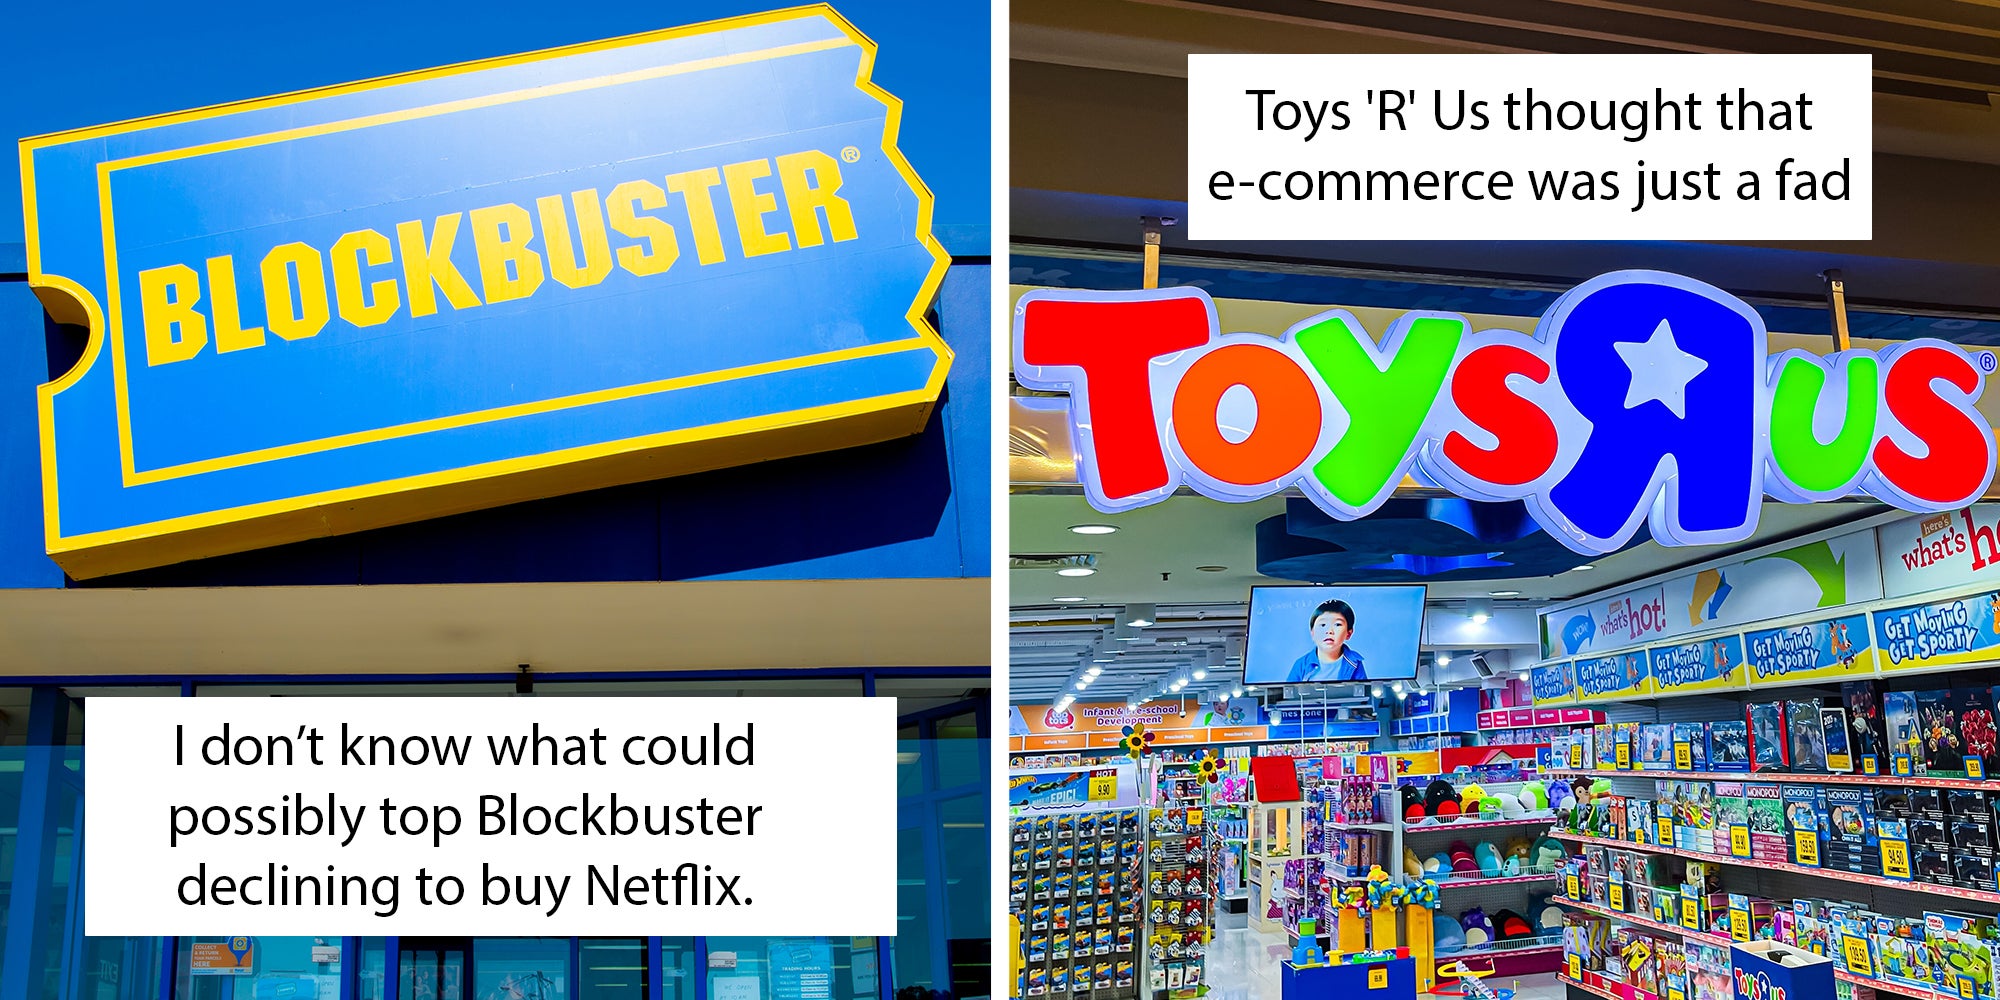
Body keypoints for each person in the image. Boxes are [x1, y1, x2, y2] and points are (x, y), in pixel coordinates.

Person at [1286, 599, 1368, 682]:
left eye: (1337, 624)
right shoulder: (1301, 665)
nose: (1329, 631)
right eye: (1323, 625)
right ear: (1313, 633)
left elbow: (1363, 689)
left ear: (1348, 633)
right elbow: (1289, 689)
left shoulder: (1354, 662)